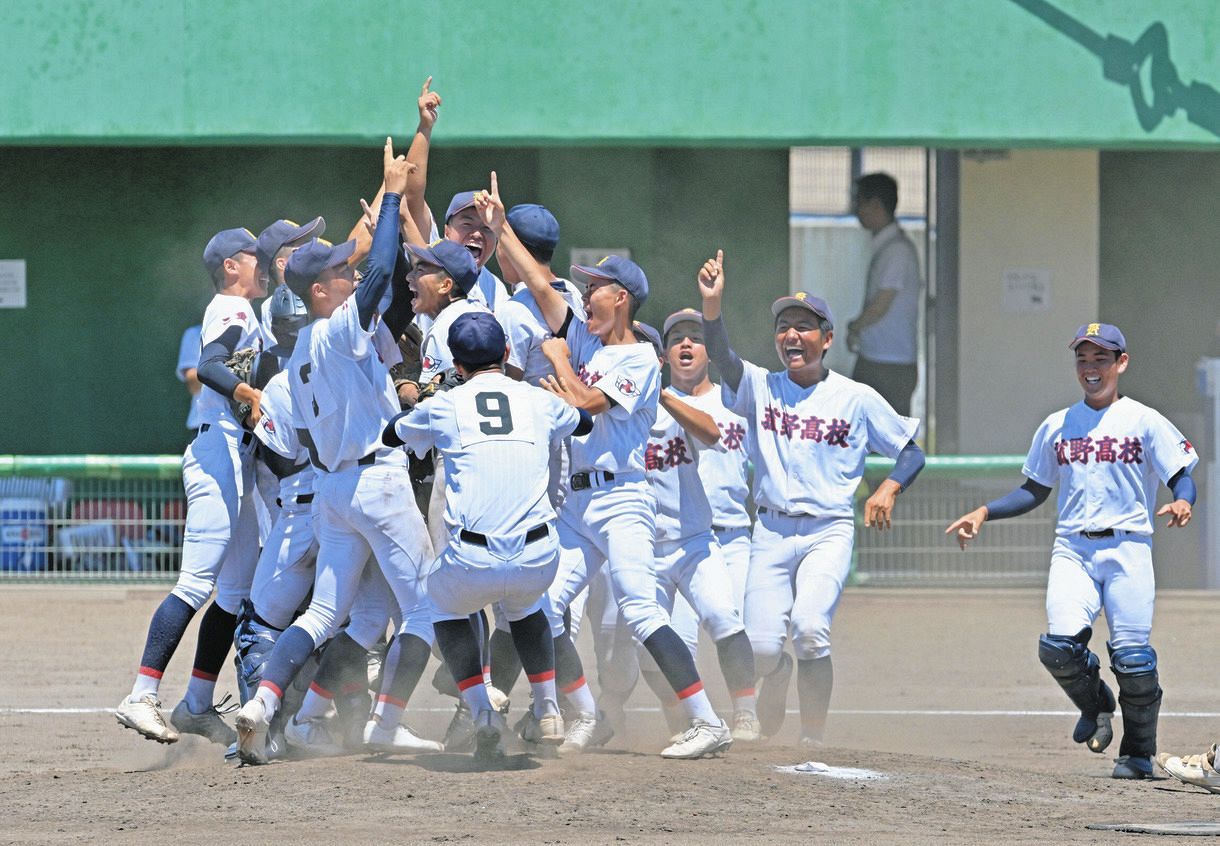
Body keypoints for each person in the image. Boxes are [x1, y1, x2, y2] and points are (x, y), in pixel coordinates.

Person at [478, 175, 733, 759]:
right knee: (540, 606)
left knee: (641, 609)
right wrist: (500, 233)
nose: (583, 294)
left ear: (620, 297)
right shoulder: (587, 339)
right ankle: (588, 714)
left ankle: (706, 719)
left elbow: (586, 407)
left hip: (622, 501)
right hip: (577, 503)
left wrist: (562, 363)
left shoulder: (640, 357)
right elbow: (542, 286)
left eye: (595, 288)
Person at [233, 138, 440, 763]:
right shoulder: (336, 328)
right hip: (371, 485)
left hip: (328, 492)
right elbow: (378, 279)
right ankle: (467, 714)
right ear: (318, 291)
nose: (351, 276)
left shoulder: (292, 363)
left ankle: (269, 708)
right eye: (339, 273)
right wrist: (394, 193)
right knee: (428, 607)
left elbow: (288, 437)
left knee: (334, 613)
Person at [947, 322, 1198, 780]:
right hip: (1073, 550)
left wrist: (1183, 500)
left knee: (1134, 661)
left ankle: (1138, 753)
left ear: (1121, 363)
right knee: (1059, 648)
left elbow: (1181, 472)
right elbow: (1034, 489)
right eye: (1082, 359)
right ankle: (1097, 704)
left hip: (1128, 549)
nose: (1090, 368)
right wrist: (985, 511)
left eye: (1101, 358)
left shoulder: (1144, 419)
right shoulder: (1058, 425)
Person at [698, 249, 925, 747]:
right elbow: (724, 360)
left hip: (827, 530)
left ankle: (812, 740)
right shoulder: (763, 386)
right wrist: (711, 308)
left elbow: (911, 453)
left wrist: (888, 487)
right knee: (758, 649)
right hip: (773, 530)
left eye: (804, 325)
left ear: (826, 339)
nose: (792, 335)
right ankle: (777, 675)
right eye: (784, 326)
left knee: (809, 628)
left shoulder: (855, 396)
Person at [384, 311, 594, 760]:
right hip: (539, 555)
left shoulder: (446, 403)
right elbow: (586, 423)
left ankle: (481, 711)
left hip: (472, 561)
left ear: (457, 366)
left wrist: (427, 395)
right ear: (505, 353)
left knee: (441, 605)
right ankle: (549, 708)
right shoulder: (536, 399)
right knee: (527, 601)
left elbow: (390, 435)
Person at [115, 227, 266, 746]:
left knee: (237, 590)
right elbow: (208, 366)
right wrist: (246, 389)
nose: (262, 264)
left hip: (236, 456)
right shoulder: (233, 306)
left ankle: (197, 704)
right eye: (254, 257)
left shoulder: (248, 309)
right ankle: (141, 694)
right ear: (230, 265)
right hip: (216, 453)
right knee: (198, 583)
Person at [845, 172, 920, 416]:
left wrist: (854, 327)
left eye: (859, 202)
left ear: (876, 205)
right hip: (878, 358)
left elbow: (881, 305)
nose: (856, 209)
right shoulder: (888, 247)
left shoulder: (897, 251)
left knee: (885, 443)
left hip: (889, 365)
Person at [176, 324, 203, 437]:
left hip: (250, 428)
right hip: (203, 428)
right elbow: (193, 385)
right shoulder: (195, 334)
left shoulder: (258, 329)